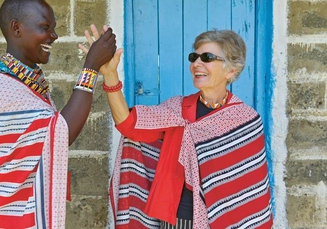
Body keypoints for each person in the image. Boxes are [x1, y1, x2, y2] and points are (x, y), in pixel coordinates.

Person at [0, 0, 116, 229]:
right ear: (16, 28)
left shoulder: (26, 81)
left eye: (54, 28)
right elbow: (60, 133)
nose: (54, 36)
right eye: (45, 27)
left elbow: (52, 134)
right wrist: (90, 68)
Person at [81, 27, 273, 228]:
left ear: (231, 70)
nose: (196, 63)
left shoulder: (245, 121)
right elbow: (129, 125)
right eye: (194, 57)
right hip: (176, 218)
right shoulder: (177, 110)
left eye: (207, 57)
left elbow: (250, 194)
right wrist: (110, 75)